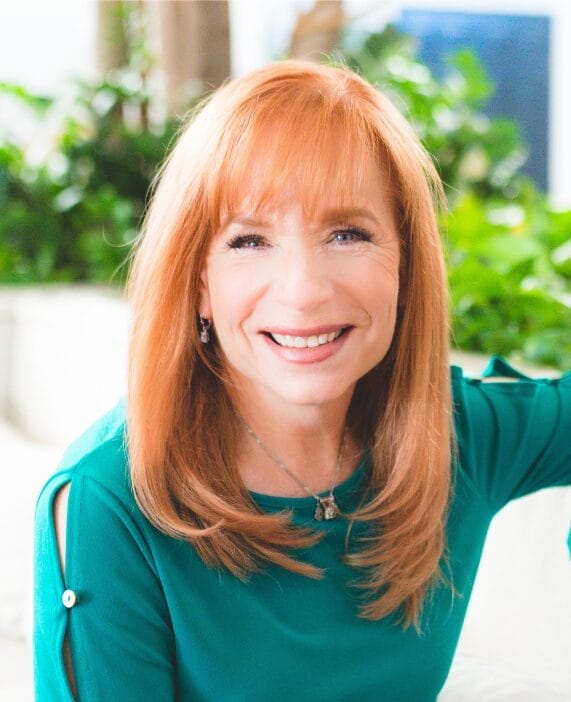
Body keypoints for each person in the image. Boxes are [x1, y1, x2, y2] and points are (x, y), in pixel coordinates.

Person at [34, 60, 570, 701]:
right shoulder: (109, 501)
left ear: (406, 264)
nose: (304, 290)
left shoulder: (458, 434)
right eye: (249, 241)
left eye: (347, 233)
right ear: (198, 282)